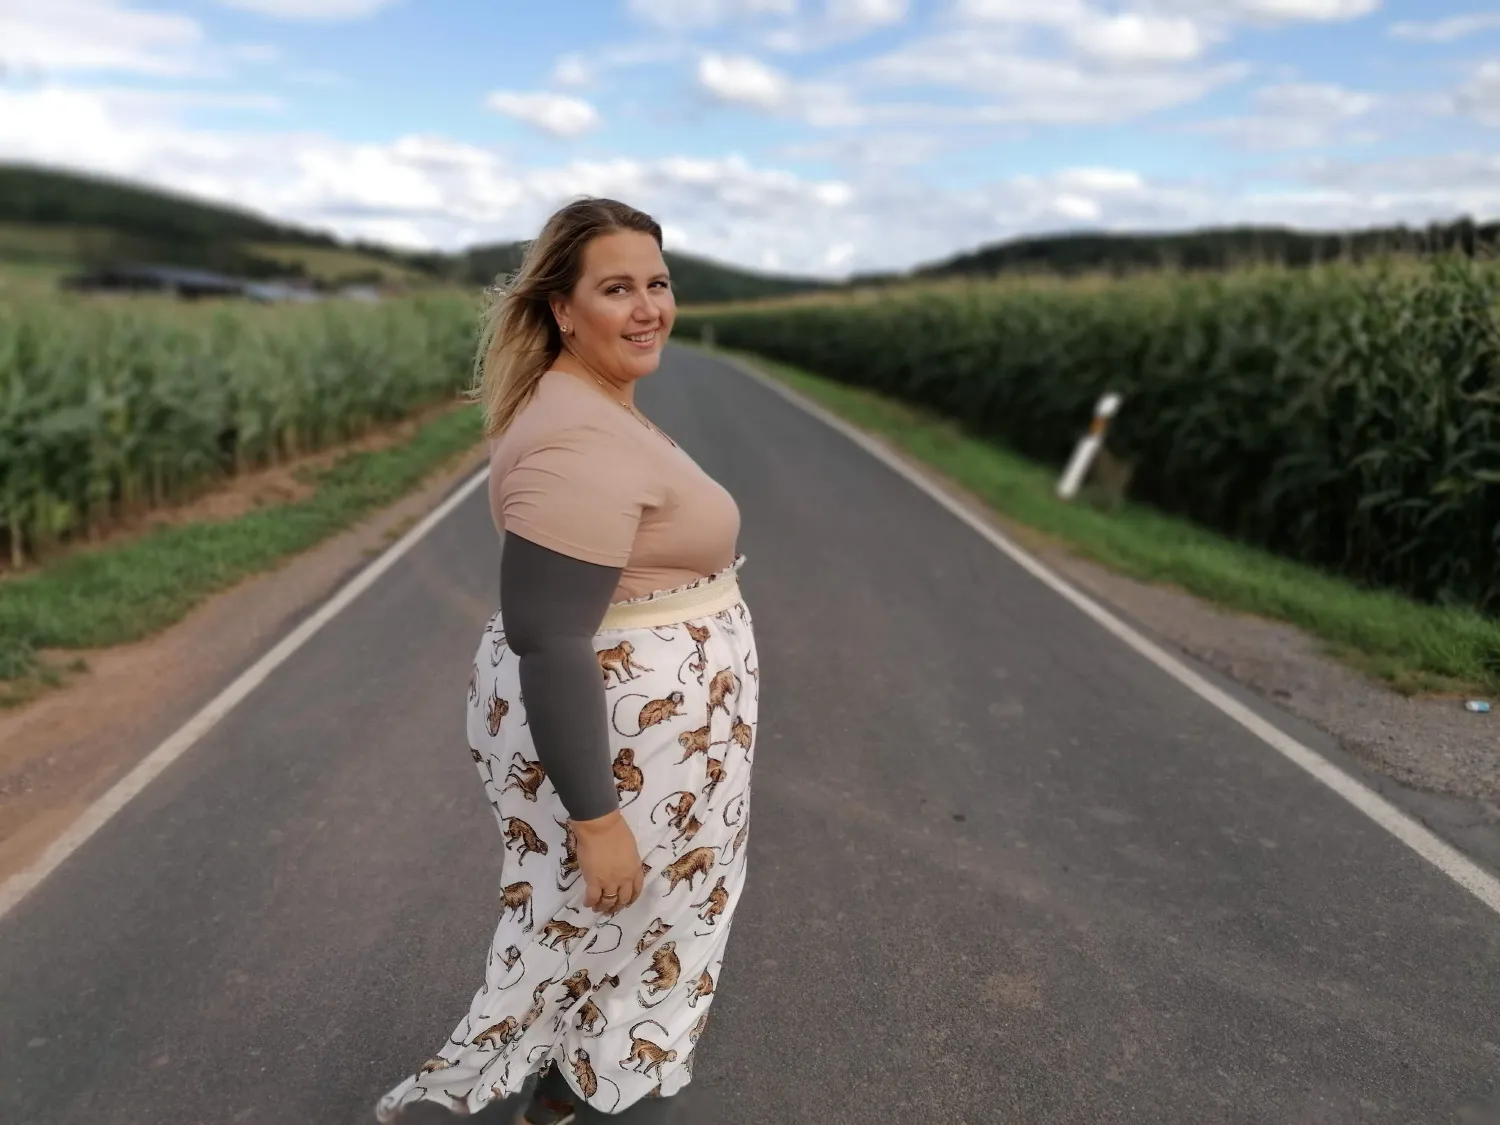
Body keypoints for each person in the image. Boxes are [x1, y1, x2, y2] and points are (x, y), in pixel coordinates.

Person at [374, 197, 757, 1125]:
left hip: (658, 740)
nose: (648, 307)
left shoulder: (594, 406)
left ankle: (559, 1094)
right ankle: (492, 1100)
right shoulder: (577, 436)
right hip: (623, 748)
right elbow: (548, 636)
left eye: (657, 283)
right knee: (601, 933)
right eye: (616, 288)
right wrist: (596, 817)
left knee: (617, 937)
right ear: (562, 309)